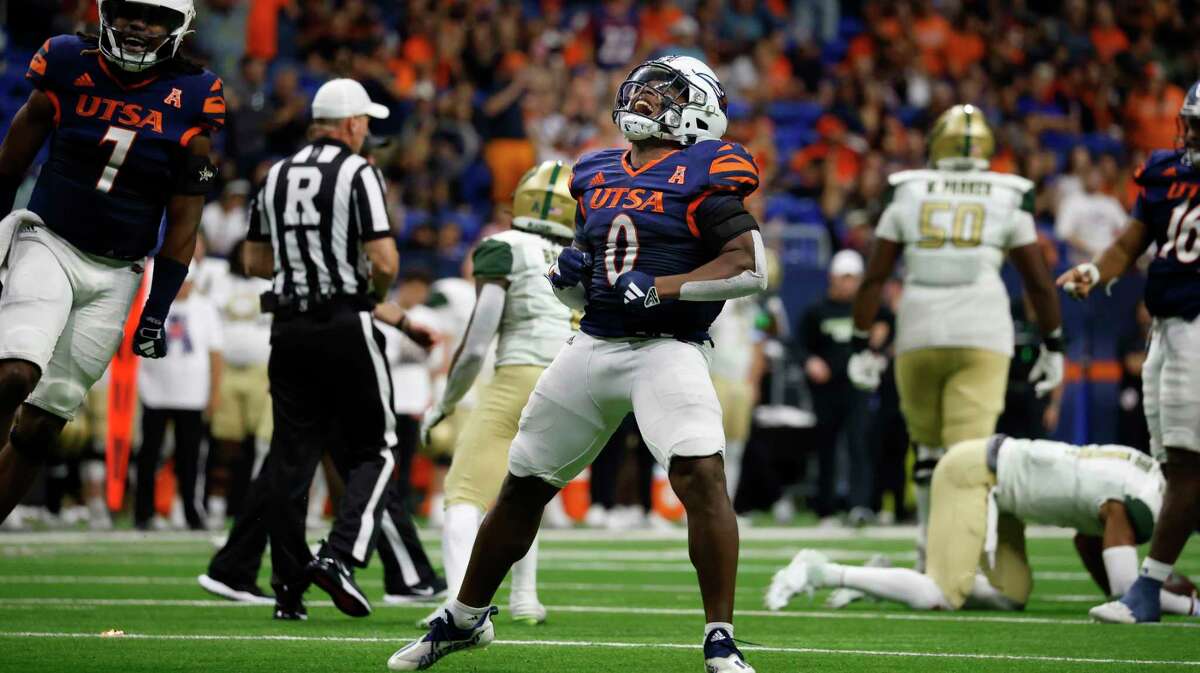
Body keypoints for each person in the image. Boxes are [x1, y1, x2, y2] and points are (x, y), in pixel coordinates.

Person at [388, 55, 767, 673]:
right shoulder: (594, 171)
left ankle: (720, 639)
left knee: (701, 476)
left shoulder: (708, 168)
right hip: (592, 344)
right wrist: (569, 279)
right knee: (522, 486)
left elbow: (749, 267)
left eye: (661, 91)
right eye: (640, 88)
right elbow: (587, 282)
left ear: (698, 105)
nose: (643, 98)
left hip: (667, 348)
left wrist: (663, 287)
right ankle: (462, 619)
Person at [0, 0, 223, 523]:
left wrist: (157, 309)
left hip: (119, 271)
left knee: (42, 426)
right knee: (12, 374)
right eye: (128, 12)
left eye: (154, 17)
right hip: (49, 240)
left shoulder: (195, 96)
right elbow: (9, 166)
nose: (138, 25)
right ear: (106, 13)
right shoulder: (65, 61)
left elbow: (185, 220)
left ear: (179, 29)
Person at [242, 78, 435, 620]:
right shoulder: (358, 171)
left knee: (292, 459)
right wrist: (369, 295)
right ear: (351, 125)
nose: (367, 132)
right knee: (378, 448)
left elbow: (254, 262)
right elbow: (387, 262)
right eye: (366, 124)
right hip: (345, 321)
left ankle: (287, 589)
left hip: (287, 328)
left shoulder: (274, 174)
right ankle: (341, 554)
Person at [846, 104, 1064, 568]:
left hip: (919, 327)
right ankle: (968, 558)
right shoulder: (1008, 192)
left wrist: (861, 341)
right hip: (982, 328)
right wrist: (1055, 342)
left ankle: (927, 551)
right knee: (967, 454)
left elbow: (874, 277)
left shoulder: (907, 189)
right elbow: (1039, 282)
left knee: (926, 450)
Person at [765, 435, 1200, 618]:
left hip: (1007, 486)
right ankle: (821, 569)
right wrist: (1189, 606)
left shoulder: (1143, 481)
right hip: (978, 472)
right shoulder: (1140, 503)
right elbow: (1129, 593)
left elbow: (1090, 546)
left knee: (1011, 597)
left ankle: (882, 578)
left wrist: (1154, 587)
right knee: (941, 594)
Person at [416, 160, 577, 628]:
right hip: (569, 378)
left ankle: (458, 604)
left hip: (519, 374)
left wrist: (445, 403)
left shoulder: (504, 247)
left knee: (464, 494)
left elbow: (475, 341)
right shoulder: (581, 254)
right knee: (527, 490)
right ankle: (525, 597)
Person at [1064, 80, 1200, 624]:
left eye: (1199, 125)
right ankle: (1161, 583)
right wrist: (1096, 272)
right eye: (1188, 122)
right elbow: (1129, 243)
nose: (1189, 132)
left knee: (1191, 465)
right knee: (1173, 464)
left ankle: (1147, 589)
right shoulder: (1167, 173)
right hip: (1166, 328)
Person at [134, 264, 222, 530]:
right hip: (154, 391)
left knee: (190, 459)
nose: (184, 286)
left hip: (192, 394)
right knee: (149, 456)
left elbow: (216, 353)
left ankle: (191, 513)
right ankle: (144, 513)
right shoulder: (153, 304)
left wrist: (214, 393)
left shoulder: (205, 307)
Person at [799, 249, 872, 523]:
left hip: (857, 389)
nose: (848, 284)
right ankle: (825, 508)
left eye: (853, 278)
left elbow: (889, 329)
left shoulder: (868, 309)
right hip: (826, 390)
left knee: (858, 445)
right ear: (833, 278)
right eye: (844, 278)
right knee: (826, 447)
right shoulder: (818, 310)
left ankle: (859, 505)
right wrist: (810, 361)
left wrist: (881, 344)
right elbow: (799, 345)